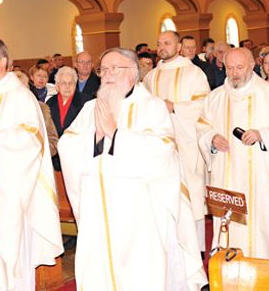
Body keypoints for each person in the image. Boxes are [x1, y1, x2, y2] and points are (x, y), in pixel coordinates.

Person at [57, 47, 206, 290]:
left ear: (132, 73)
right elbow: (66, 145)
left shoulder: (152, 107)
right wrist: (96, 136)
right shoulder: (89, 109)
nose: (107, 74)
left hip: (141, 213)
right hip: (99, 210)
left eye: (114, 68)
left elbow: (162, 152)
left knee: (141, 275)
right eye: (103, 69)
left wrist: (117, 135)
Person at [0, 37, 63, 291]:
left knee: (10, 252)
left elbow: (32, 139)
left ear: (4, 61)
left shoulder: (20, 96)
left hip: (12, 187)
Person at [198, 48, 269, 259]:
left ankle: (265, 267)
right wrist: (212, 139)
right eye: (229, 68)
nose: (234, 73)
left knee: (260, 225)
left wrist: (263, 135)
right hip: (226, 174)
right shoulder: (214, 98)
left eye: (239, 67)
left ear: (253, 65)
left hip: (261, 175)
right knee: (230, 228)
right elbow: (202, 126)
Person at [144, 31, 210, 251]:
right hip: (159, 149)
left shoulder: (194, 73)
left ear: (179, 46)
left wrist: (175, 107)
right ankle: (168, 247)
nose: (162, 47)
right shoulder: (151, 77)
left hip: (187, 145)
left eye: (167, 43)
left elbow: (204, 105)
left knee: (192, 195)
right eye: (159, 43)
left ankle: (196, 248)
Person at [46, 66, 89, 169]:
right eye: (63, 83)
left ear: (76, 84)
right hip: (56, 158)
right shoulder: (50, 103)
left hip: (79, 157)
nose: (67, 86)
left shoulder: (86, 102)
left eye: (71, 83)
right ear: (57, 86)